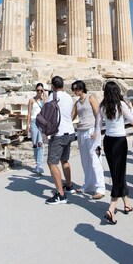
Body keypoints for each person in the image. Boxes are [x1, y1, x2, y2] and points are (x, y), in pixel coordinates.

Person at [97, 80, 133, 224]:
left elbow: (97, 127)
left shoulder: (102, 106)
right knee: (119, 172)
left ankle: (126, 202)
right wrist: (131, 109)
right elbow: (132, 119)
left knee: (116, 173)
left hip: (107, 141)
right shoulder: (122, 105)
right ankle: (111, 208)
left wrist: (97, 145)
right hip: (120, 141)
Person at [71, 80, 105, 199]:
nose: (75, 91)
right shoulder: (76, 103)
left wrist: (97, 131)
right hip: (81, 132)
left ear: (82, 88)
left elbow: (98, 115)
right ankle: (89, 185)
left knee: (95, 159)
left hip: (91, 131)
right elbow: (71, 117)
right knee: (85, 160)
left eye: (77, 89)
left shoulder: (91, 98)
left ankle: (100, 188)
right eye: (74, 89)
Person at [45, 76, 76, 205]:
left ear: (53, 86)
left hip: (59, 133)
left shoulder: (52, 96)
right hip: (70, 131)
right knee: (64, 160)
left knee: (52, 162)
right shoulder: (69, 97)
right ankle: (68, 186)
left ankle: (60, 195)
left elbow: (47, 115)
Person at [27, 83, 46, 174]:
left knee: (40, 143)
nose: (39, 92)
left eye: (41, 90)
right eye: (38, 90)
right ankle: (37, 164)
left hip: (41, 122)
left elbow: (47, 108)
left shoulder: (44, 100)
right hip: (34, 122)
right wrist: (27, 126)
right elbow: (29, 113)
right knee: (35, 144)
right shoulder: (31, 100)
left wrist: (44, 95)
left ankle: (39, 165)